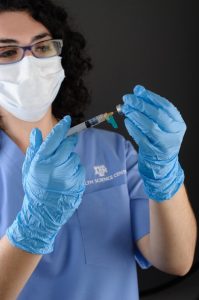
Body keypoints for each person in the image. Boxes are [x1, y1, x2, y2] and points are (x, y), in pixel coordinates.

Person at [0, 0, 197, 299]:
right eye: (7, 52)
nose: (29, 64)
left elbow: (177, 261)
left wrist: (165, 170)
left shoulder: (113, 150)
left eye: (42, 48)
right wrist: (36, 223)